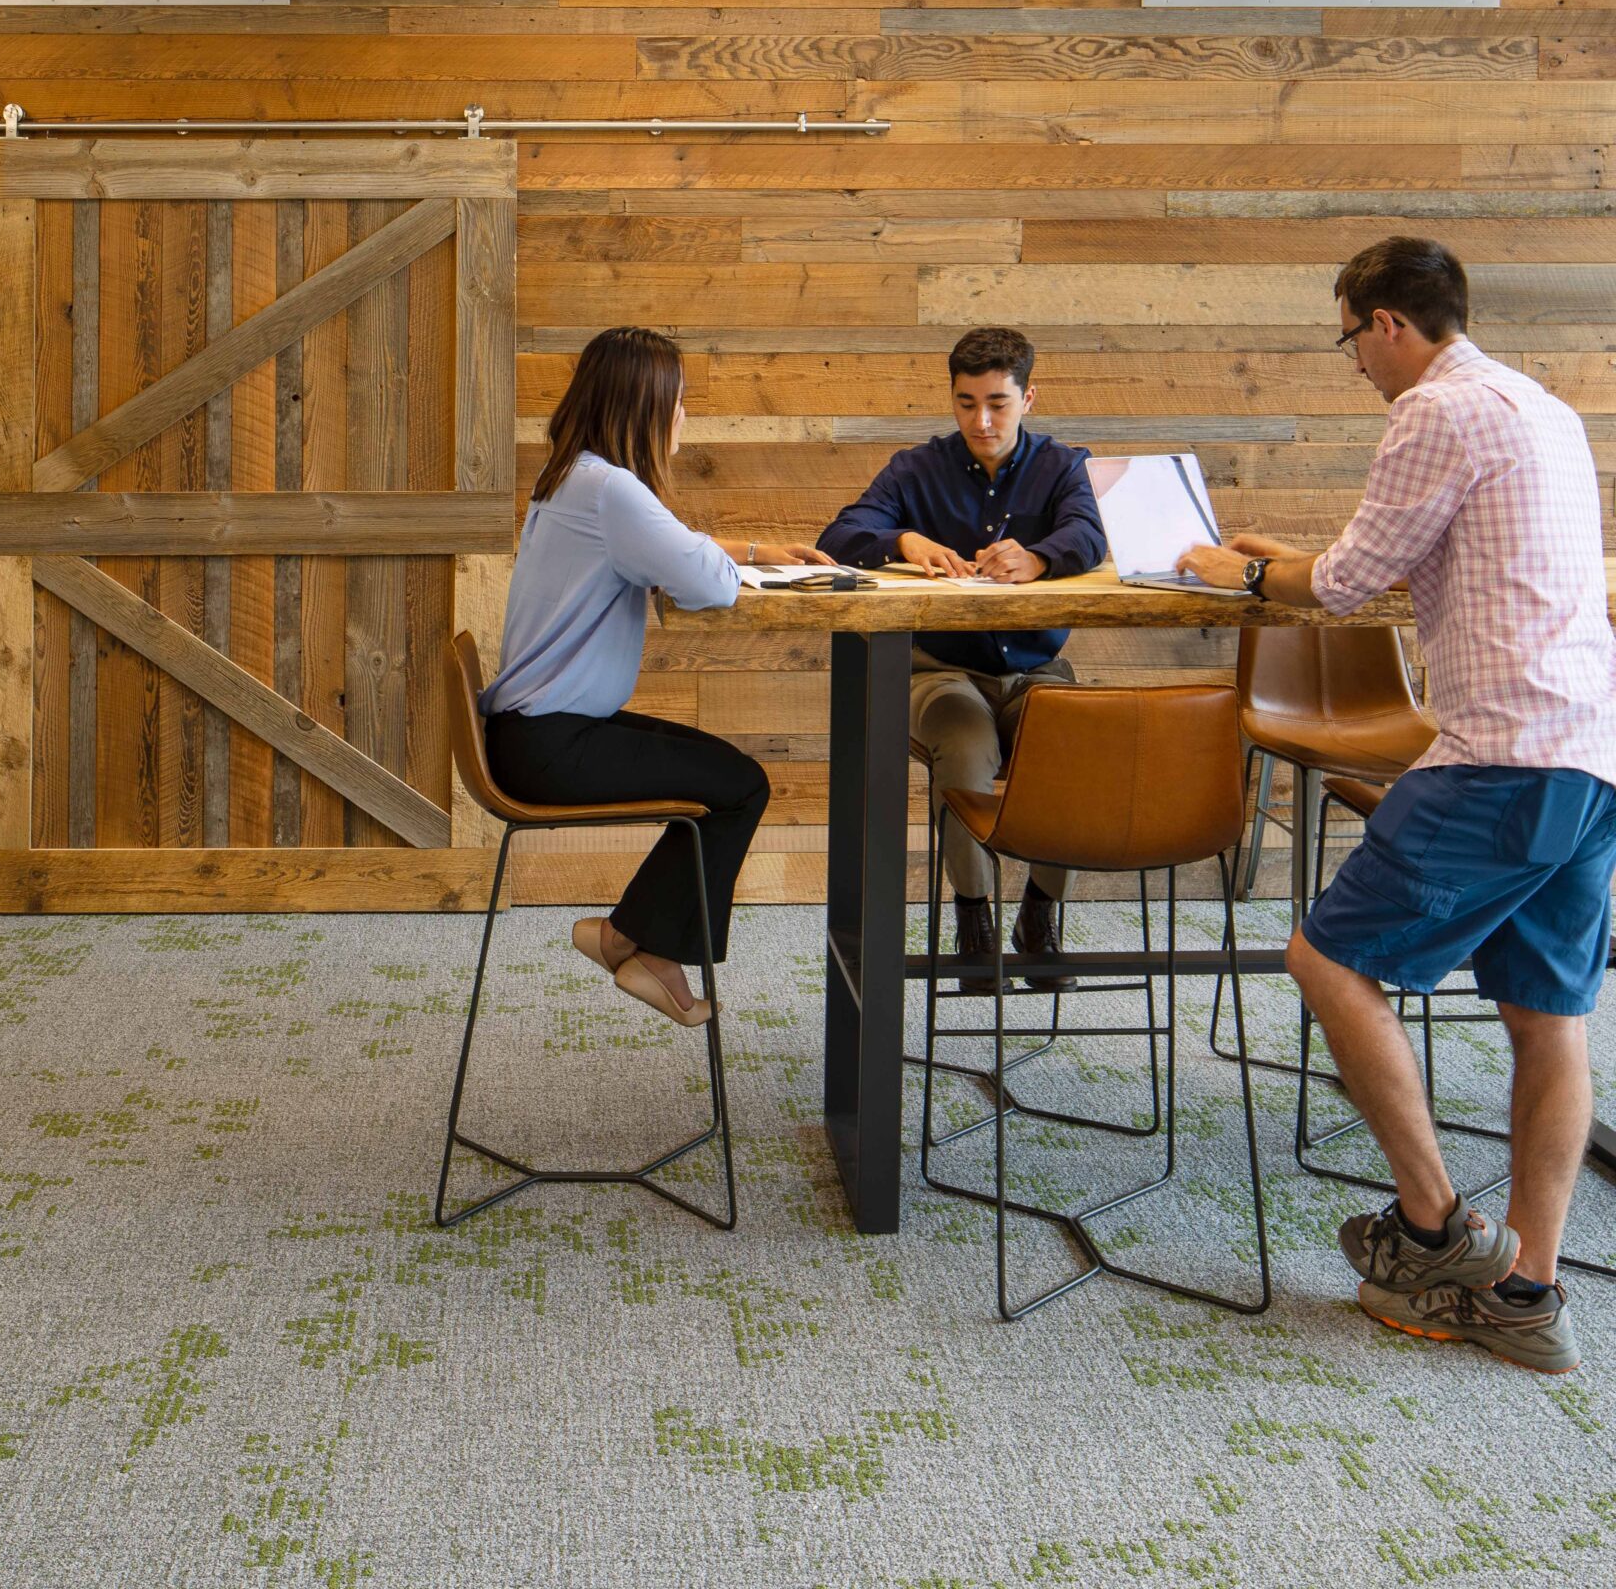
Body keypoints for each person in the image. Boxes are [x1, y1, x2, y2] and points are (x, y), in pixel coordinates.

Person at [1179, 236, 1616, 1375]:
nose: (1360, 368)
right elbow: (1390, 559)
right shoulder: (1540, 408)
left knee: (1325, 961)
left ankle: (1436, 1227)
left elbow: (1339, 587)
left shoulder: (1433, 408)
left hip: (1500, 757)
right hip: (1589, 756)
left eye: (1352, 344)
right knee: (1548, 1017)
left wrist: (1239, 571)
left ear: (1385, 323)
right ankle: (1525, 1296)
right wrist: (1293, 559)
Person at [480, 325, 830, 1028]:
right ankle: (653, 953)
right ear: (644, 406)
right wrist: (737, 560)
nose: (683, 416)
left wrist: (755, 548)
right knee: (741, 787)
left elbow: (675, 547)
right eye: (678, 402)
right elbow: (707, 583)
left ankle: (622, 938)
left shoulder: (575, 477)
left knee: (726, 775)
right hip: (551, 747)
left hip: (537, 733)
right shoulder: (611, 490)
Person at [817, 326, 1108, 968]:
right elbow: (839, 535)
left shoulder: (1064, 467)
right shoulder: (914, 469)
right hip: (939, 671)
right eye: (966, 403)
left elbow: (1090, 535)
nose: (981, 421)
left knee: (1077, 743)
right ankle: (973, 918)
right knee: (966, 745)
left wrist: (1038, 557)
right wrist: (904, 541)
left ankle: (1039, 912)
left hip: (1036, 670)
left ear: (1028, 398)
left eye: (997, 403)